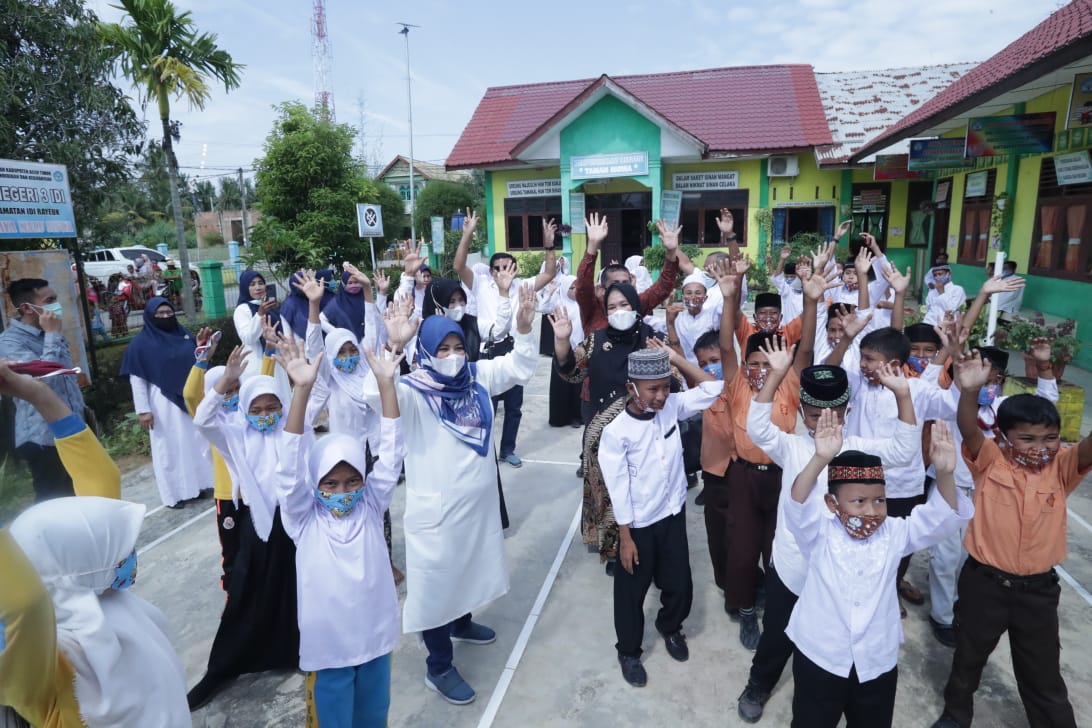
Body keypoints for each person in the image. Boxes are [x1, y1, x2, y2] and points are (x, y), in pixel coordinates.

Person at [362, 282, 539, 706]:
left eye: (458, 346)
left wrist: (526, 329)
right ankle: (438, 665)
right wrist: (393, 345)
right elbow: (375, 395)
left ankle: (462, 623)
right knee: (435, 588)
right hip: (436, 517)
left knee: (470, 570)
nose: (453, 355)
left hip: (475, 510)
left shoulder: (476, 377)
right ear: (425, 352)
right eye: (442, 348)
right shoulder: (413, 390)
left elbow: (518, 367)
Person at [0, 359, 191, 727]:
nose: (131, 556)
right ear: (75, 567)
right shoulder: (46, 659)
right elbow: (25, 601)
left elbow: (101, 484)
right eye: (122, 553)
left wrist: (37, 394)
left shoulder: (102, 598)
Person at [737, 355, 922, 724]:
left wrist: (903, 395)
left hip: (841, 577)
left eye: (833, 414)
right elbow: (756, 427)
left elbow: (903, 451)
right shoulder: (791, 446)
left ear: (847, 410)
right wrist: (775, 376)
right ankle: (758, 684)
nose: (823, 422)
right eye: (813, 413)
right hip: (795, 567)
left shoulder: (858, 451)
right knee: (777, 636)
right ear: (801, 408)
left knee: (830, 646)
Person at [930, 352, 1092, 728]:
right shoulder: (990, 461)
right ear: (1003, 439)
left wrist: (1049, 370)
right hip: (985, 584)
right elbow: (969, 428)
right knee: (968, 658)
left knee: (1042, 670)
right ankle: (956, 716)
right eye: (1028, 438)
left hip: (1038, 592)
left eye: (1050, 438)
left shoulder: (1062, 468)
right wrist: (968, 392)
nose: (1042, 446)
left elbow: (1085, 448)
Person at [786, 418, 972, 728]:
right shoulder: (818, 531)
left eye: (879, 500)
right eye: (858, 501)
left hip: (875, 661)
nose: (871, 511)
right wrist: (820, 459)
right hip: (821, 656)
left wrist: (945, 474)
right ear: (832, 503)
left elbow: (943, 516)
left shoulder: (895, 533)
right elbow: (796, 503)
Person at [273, 334, 404, 728]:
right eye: (330, 484)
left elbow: (392, 453)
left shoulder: (370, 505)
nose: (343, 492)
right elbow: (289, 469)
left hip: (375, 639)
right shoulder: (303, 518)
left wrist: (385, 386)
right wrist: (301, 391)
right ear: (315, 486)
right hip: (328, 648)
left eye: (351, 481)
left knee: (373, 715)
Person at [707, 261, 821, 650]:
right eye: (752, 363)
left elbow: (805, 344)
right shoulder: (737, 381)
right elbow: (726, 344)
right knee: (741, 546)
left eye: (766, 364)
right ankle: (743, 610)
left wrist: (811, 299)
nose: (759, 370)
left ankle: (778, 603)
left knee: (780, 544)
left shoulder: (789, 378)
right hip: (744, 475)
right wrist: (727, 297)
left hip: (784, 475)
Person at [188, 344, 302, 709]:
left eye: (272, 407)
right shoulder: (235, 433)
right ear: (246, 410)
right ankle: (224, 666)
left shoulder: (291, 431)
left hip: (293, 522)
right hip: (256, 524)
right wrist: (226, 381)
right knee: (246, 590)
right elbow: (203, 420)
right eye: (257, 408)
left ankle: (296, 651)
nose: (265, 415)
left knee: (294, 589)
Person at [599, 347, 722, 687]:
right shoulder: (616, 433)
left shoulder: (673, 408)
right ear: (631, 389)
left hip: (672, 514)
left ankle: (670, 627)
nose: (661, 395)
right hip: (638, 525)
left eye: (666, 386)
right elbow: (618, 488)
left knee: (679, 582)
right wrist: (625, 538)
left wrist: (676, 359)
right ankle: (628, 651)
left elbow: (713, 389)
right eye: (652, 389)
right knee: (631, 593)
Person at [925, 342, 1058, 648]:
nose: (987, 386)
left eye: (993, 380)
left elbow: (1046, 404)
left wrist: (1044, 367)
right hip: (952, 484)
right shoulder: (954, 401)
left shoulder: (1005, 409)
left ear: (1001, 380)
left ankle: (960, 604)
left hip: (989, 493)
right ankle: (942, 615)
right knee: (945, 556)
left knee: (971, 556)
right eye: (980, 379)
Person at [552, 281, 666, 571]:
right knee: (612, 491)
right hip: (605, 432)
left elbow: (673, 380)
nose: (618, 311)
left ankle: (648, 544)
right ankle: (615, 549)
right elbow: (571, 372)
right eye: (612, 307)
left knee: (643, 490)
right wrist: (562, 342)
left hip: (646, 431)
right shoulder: (595, 339)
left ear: (636, 307)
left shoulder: (652, 337)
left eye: (624, 305)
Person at [454, 209, 556, 468]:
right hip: (488, 353)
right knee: (485, 405)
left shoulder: (523, 285)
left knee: (514, 407)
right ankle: (483, 451)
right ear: (490, 272)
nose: (503, 272)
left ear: (516, 268)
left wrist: (549, 246)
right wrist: (467, 234)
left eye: (508, 267)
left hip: (514, 352)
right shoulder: (480, 285)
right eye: (498, 268)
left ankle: (507, 449)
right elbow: (458, 265)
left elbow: (549, 274)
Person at [121, 297, 213, 508]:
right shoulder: (140, 345)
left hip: (189, 399)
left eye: (169, 313)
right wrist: (143, 410)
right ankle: (175, 495)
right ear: (150, 316)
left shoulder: (184, 335)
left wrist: (201, 347)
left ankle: (198, 486)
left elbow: (198, 362)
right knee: (169, 450)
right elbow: (137, 379)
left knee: (194, 443)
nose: (165, 317)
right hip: (162, 405)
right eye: (160, 314)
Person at [0, 277, 85, 501]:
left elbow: (67, 382)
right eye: (50, 300)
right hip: (44, 438)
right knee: (55, 499)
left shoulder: (51, 334)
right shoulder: (10, 342)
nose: (56, 305)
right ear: (27, 308)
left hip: (73, 429)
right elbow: (42, 385)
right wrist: (52, 336)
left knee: (82, 493)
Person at [234, 270, 286, 390]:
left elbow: (281, 333)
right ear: (244, 288)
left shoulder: (269, 307)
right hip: (256, 364)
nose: (258, 287)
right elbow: (248, 338)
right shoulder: (242, 310)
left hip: (276, 361)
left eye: (260, 283)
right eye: (252, 284)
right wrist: (259, 314)